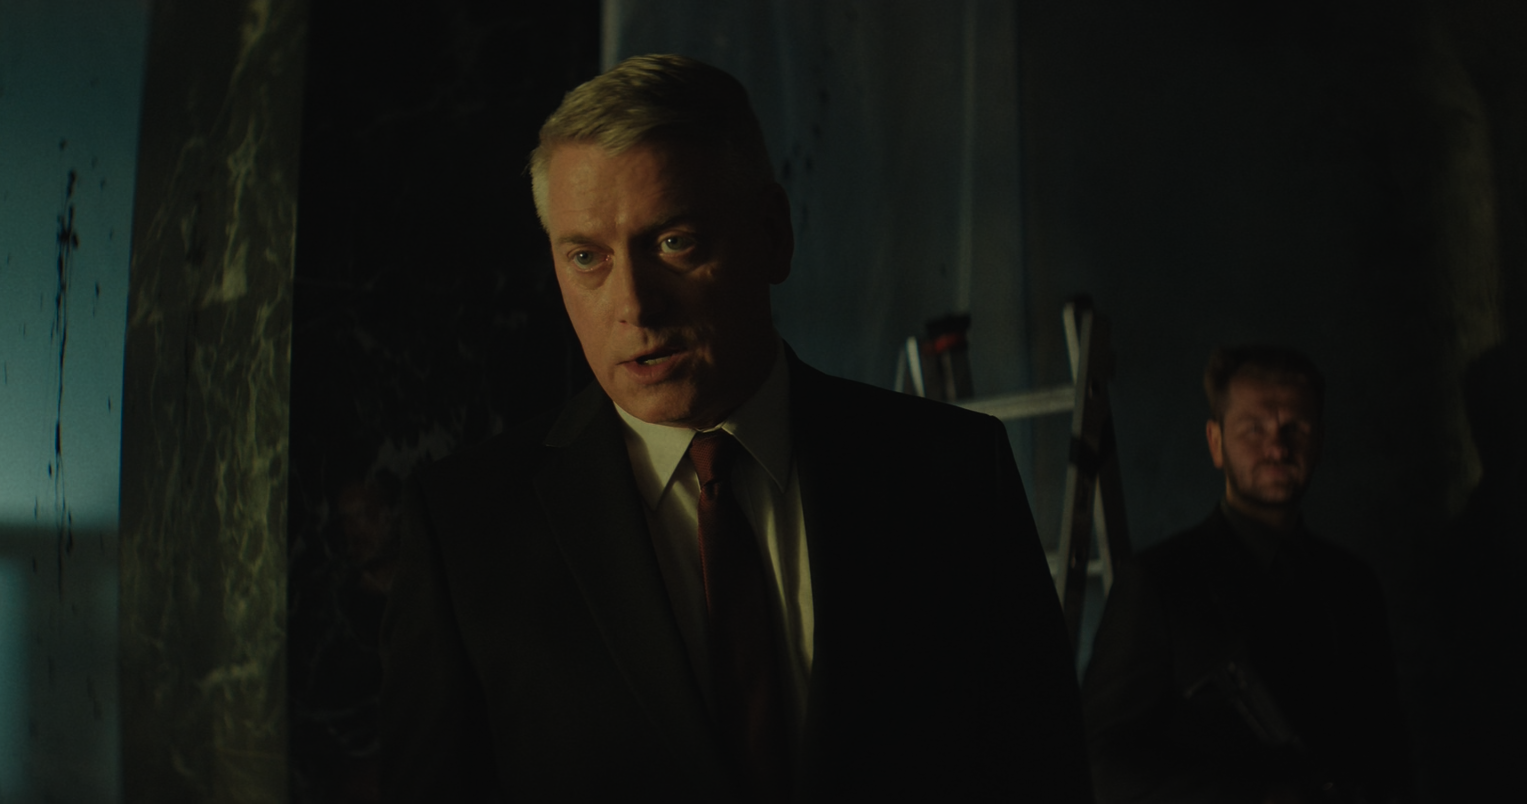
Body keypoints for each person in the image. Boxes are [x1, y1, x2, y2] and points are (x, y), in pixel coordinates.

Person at [379, 54, 1089, 802]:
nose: (635, 305)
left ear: (772, 233)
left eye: (673, 242)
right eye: (587, 257)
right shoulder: (466, 530)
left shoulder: (954, 473)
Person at [1082, 347, 1411, 803]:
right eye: (1254, 429)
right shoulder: (1158, 583)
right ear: (1216, 443)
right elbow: (1099, 764)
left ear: (1319, 441)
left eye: (1295, 429)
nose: (1277, 448)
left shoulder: (1352, 584)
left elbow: (1388, 754)